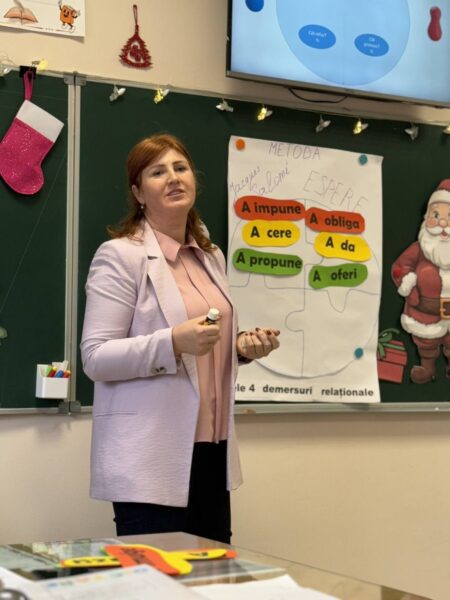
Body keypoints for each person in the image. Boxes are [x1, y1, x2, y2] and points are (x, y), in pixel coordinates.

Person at [80, 133, 280, 543]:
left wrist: (239, 349)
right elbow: (95, 357)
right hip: (152, 455)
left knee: (212, 573)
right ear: (138, 193)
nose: (173, 178)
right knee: (159, 574)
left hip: (212, 450)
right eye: (157, 172)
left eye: (180, 168)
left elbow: (202, 343)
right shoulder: (120, 255)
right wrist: (171, 341)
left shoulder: (211, 256)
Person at [391, 179, 450, 383]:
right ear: (427, 218)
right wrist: (408, 285)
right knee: (426, 343)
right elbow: (399, 268)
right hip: (424, 312)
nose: (443, 224)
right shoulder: (419, 248)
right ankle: (428, 367)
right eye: (436, 215)